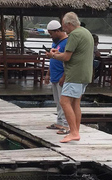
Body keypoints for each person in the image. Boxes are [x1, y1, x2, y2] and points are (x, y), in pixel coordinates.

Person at [45, 12, 94, 143]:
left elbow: (66, 57)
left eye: (64, 26)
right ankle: (75, 130)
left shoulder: (74, 35)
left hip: (74, 74)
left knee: (64, 102)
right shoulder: (86, 32)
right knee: (75, 103)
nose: (63, 29)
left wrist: (53, 56)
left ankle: (73, 132)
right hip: (84, 74)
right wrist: (59, 53)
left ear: (69, 24)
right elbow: (73, 54)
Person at [44, 20, 68, 134]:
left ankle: (66, 124)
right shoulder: (56, 43)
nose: (51, 36)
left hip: (61, 76)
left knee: (64, 101)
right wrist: (48, 74)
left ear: (58, 31)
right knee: (57, 101)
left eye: (51, 34)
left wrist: (64, 76)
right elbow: (52, 59)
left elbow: (69, 62)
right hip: (54, 75)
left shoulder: (67, 42)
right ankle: (59, 122)